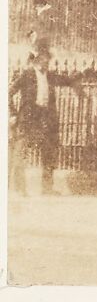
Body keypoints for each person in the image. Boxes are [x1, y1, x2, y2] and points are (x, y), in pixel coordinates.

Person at [8, 39, 84, 195]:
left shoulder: (50, 76)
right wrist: (13, 113)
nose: (47, 61)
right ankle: (20, 189)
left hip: (46, 119)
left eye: (48, 59)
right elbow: (7, 94)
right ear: (37, 60)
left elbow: (67, 80)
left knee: (49, 152)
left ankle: (47, 188)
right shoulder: (26, 75)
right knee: (21, 153)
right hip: (28, 119)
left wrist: (82, 74)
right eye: (44, 58)